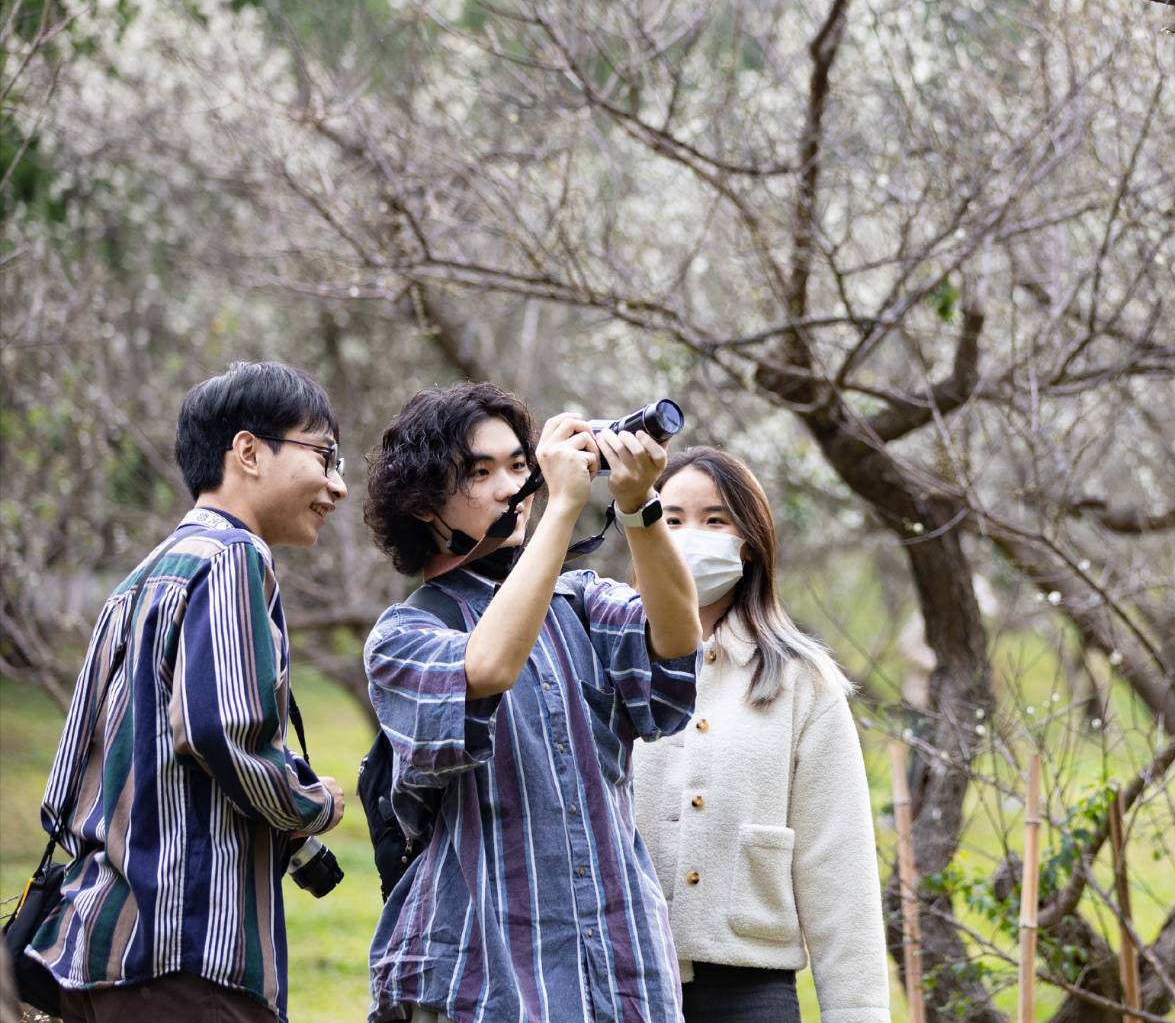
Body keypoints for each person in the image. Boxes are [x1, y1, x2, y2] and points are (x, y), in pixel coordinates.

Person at [360, 383, 702, 1023]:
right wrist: (564, 509)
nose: (507, 485)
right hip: (481, 977)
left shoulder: (581, 603)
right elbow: (488, 666)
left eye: (519, 466)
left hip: (620, 967)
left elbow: (680, 640)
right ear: (423, 506)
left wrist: (638, 506)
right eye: (478, 472)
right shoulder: (404, 636)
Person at [27, 361, 349, 1023]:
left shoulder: (142, 578)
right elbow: (217, 731)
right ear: (249, 451)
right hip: (188, 958)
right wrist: (311, 802)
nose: (338, 485)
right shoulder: (236, 556)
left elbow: (62, 788)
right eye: (325, 455)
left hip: (101, 954)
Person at [633, 447, 890, 1023]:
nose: (689, 536)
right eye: (670, 519)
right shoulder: (604, 660)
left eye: (714, 519)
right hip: (619, 983)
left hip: (750, 992)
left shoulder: (803, 681)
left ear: (749, 541)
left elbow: (837, 866)